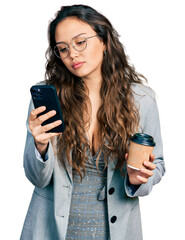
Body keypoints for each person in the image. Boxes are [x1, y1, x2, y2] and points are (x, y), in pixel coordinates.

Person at [20, 4, 165, 240]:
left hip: (115, 231)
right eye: (62, 48)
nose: (72, 54)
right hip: (50, 230)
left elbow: (157, 164)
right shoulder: (49, 97)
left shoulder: (141, 99)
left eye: (80, 42)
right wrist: (40, 146)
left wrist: (138, 178)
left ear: (104, 40)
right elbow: (38, 178)